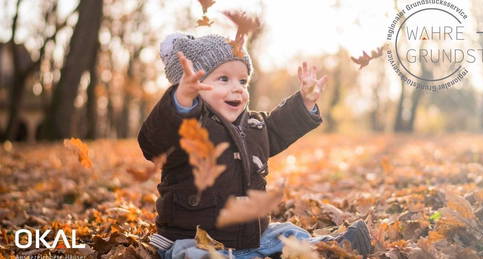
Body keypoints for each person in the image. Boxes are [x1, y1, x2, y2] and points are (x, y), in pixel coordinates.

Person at [137, 33, 372, 259]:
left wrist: (304, 102)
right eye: (223, 79)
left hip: (252, 237)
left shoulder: (254, 126)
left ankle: (329, 249)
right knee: (191, 254)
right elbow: (154, 143)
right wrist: (181, 102)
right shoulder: (188, 128)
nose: (238, 87)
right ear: (194, 87)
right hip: (195, 238)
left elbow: (279, 127)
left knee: (288, 233)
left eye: (243, 80)